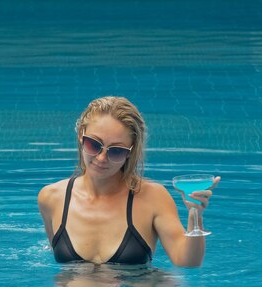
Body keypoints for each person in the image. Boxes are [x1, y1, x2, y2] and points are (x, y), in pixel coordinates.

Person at [38, 96, 220, 267]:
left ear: (130, 153)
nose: (101, 158)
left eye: (116, 151)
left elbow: (187, 262)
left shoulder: (152, 197)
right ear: (81, 136)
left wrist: (195, 216)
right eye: (93, 144)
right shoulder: (52, 198)